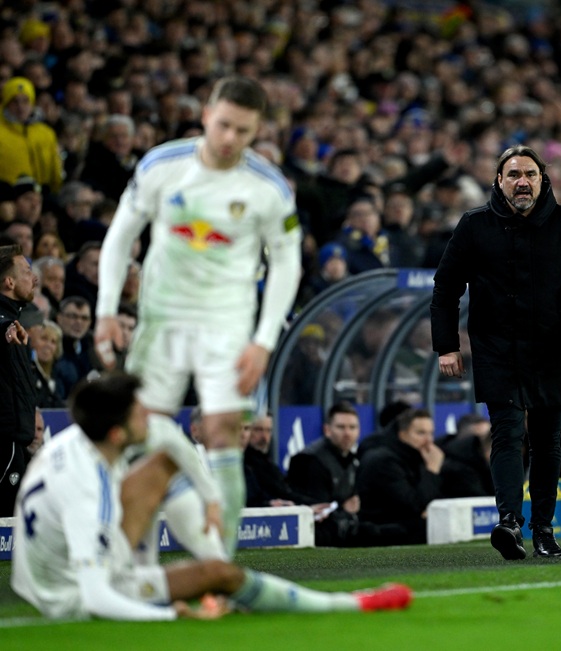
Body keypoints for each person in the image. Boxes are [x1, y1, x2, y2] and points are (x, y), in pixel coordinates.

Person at [94, 75, 303, 558]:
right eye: (224, 125)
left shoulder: (268, 187)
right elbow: (121, 235)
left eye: (243, 131)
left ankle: (219, 567)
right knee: (144, 430)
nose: (230, 139)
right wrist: (106, 310)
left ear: (256, 132)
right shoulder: (162, 165)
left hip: (227, 322)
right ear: (206, 116)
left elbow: (287, 262)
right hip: (162, 318)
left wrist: (264, 340)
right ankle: (132, 561)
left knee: (225, 429)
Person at [11, 372, 412, 621]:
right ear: (118, 432)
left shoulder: (77, 441)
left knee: (162, 464)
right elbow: (95, 596)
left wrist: (212, 501)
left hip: (40, 575)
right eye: (137, 413)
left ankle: (205, 557)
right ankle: (349, 604)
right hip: (69, 597)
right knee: (219, 578)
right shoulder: (86, 491)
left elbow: (169, 442)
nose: (146, 418)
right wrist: (167, 614)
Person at [430, 144, 561, 560]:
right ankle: (510, 521)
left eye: (530, 174)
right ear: (498, 181)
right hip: (497, 348)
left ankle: (544, 529)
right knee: (507, 433)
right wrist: (446, 345)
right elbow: (445, 289)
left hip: (554, 348)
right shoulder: (474, 225)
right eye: (513, 174)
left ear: (542, 179)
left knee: (549, 440)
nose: (522, 182)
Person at [355, 408, 445, 545]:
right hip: (381, 533)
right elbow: (415, 504)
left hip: (401, 527)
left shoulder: (415, 456)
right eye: (421, 433)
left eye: (431, 433)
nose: (428, 441)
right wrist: (432, 470)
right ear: (403, 434)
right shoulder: (384, 461)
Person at [0, 244, 39, 516]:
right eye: (26, 271)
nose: (34, 278)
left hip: (16, 444)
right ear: (9, 281)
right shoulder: (4, 325)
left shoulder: (14, 325)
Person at [0, 77, 63, 194]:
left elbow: (55, 170)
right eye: (14, 101)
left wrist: (55, 192)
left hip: (42, 196)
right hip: (8, 198)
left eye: (25, 101)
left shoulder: (46, 133)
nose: (20, 107)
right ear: (6, 103)